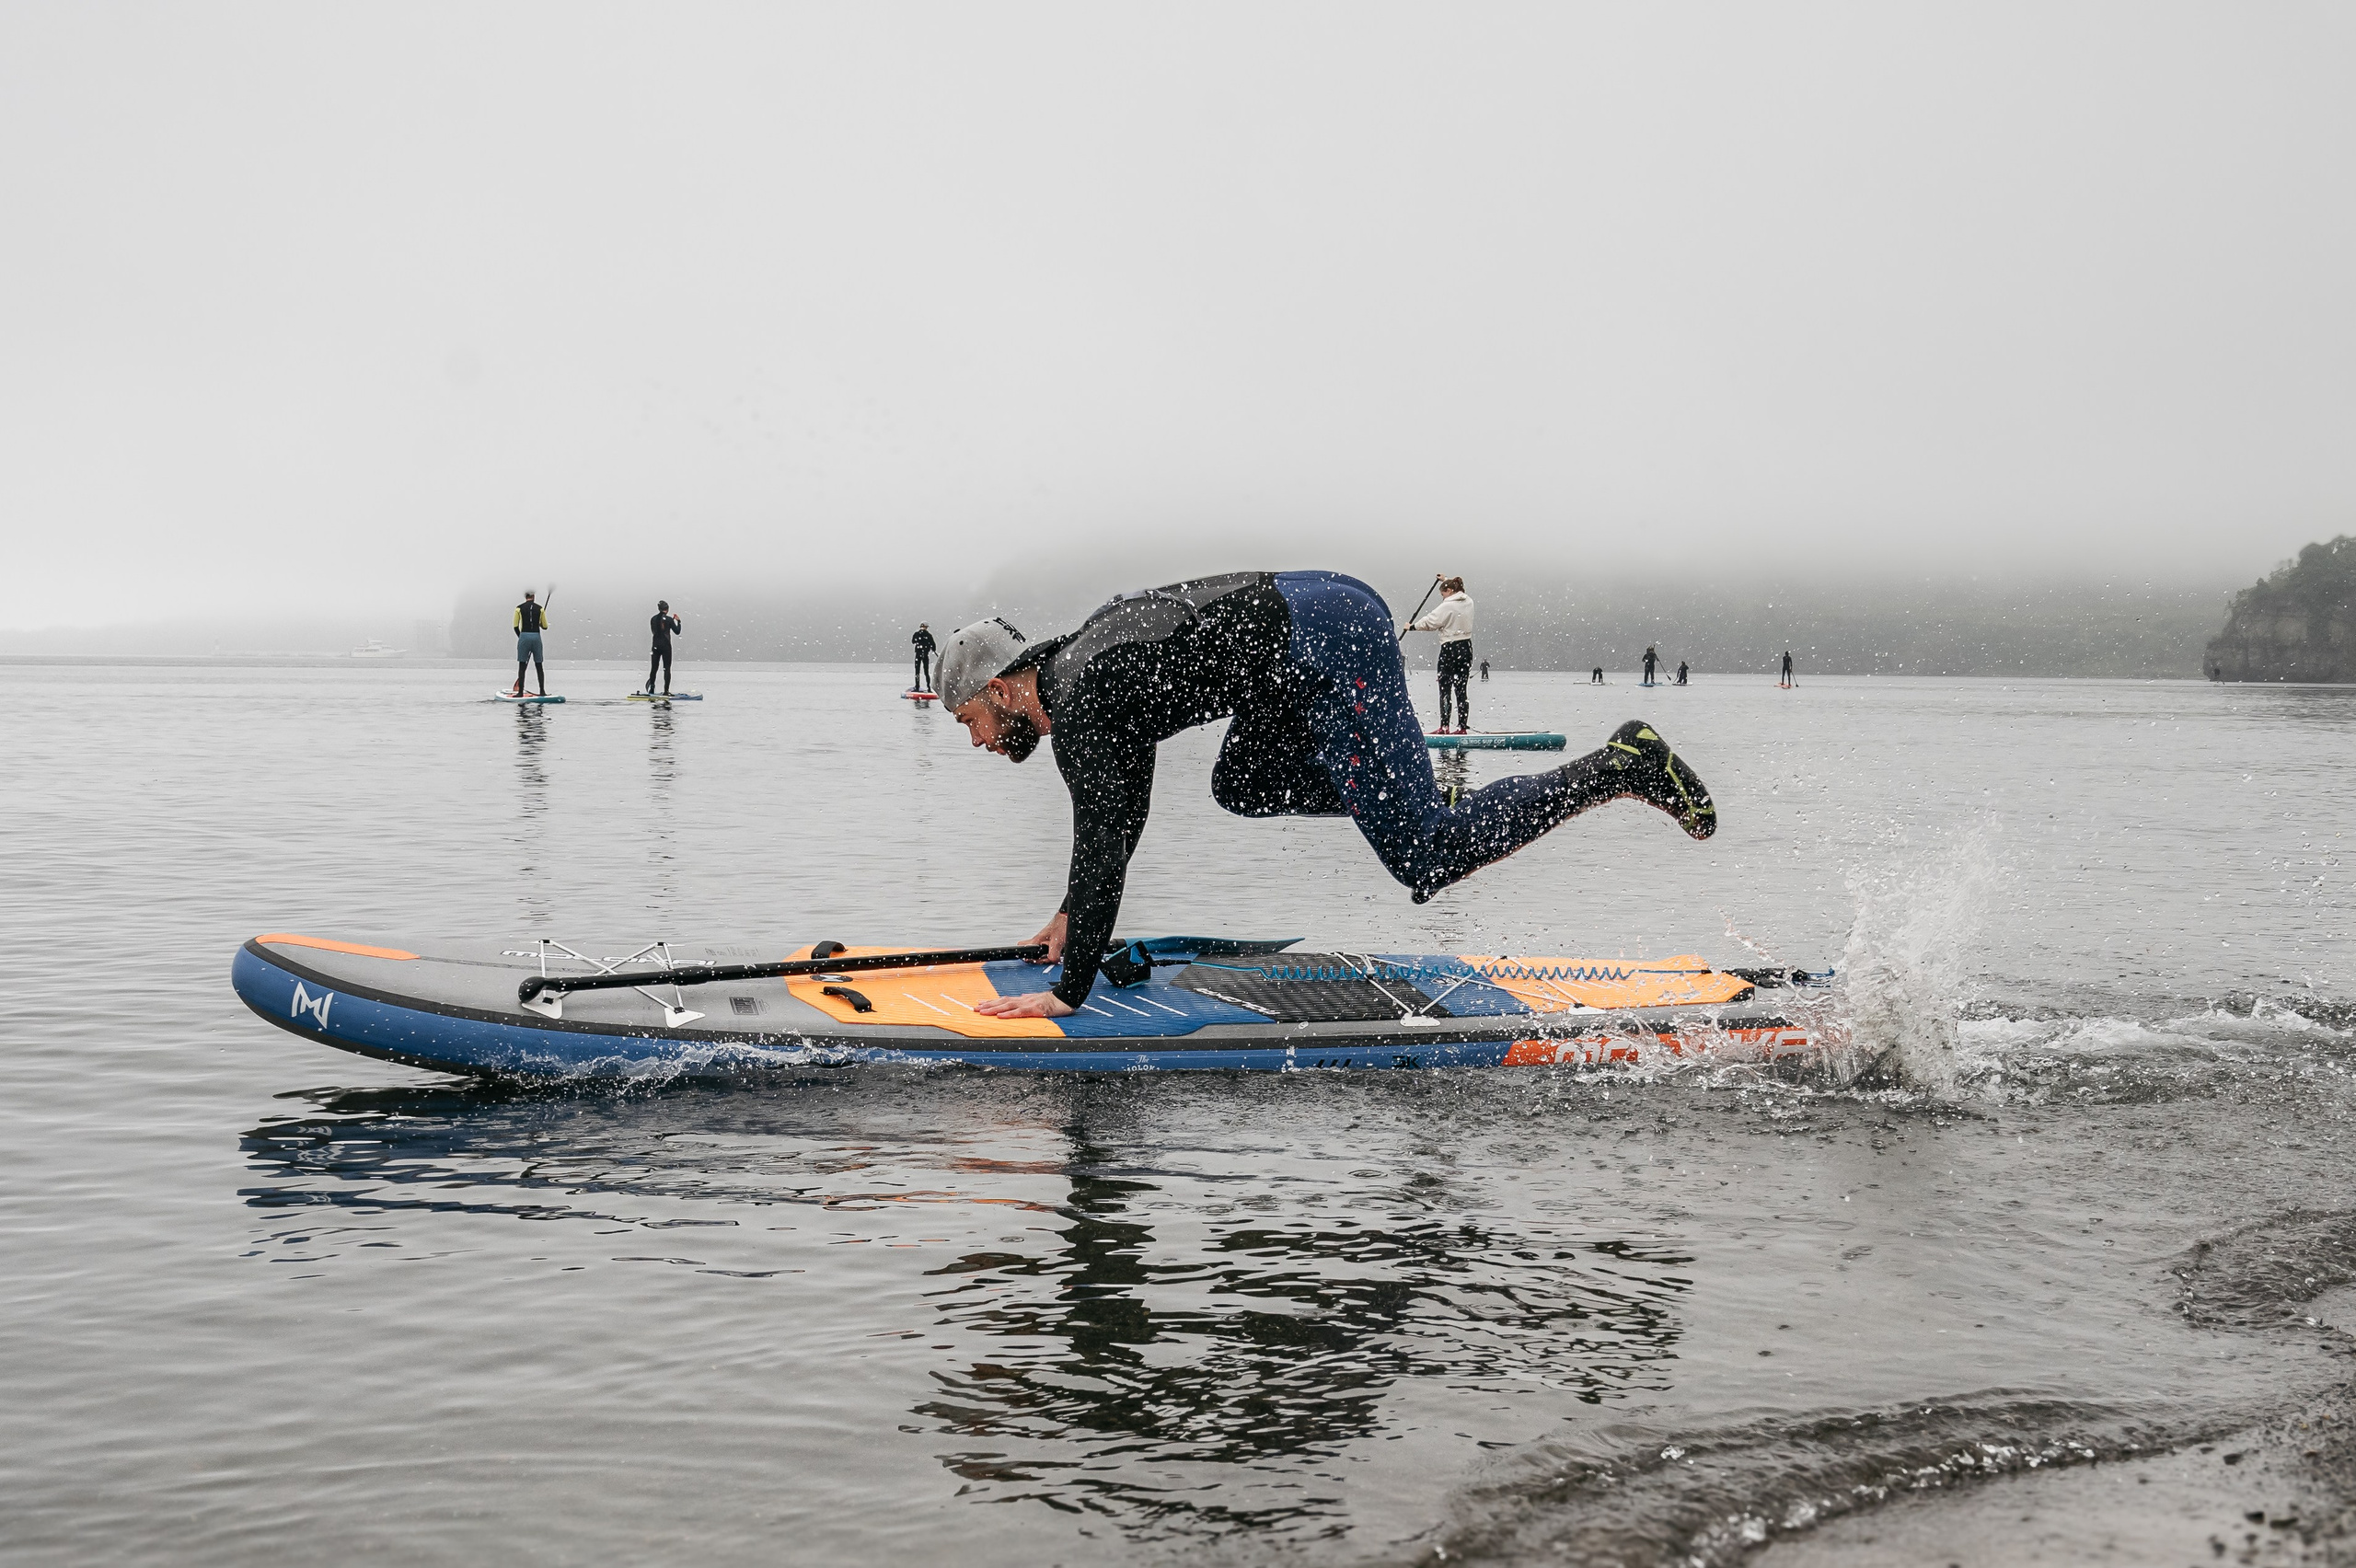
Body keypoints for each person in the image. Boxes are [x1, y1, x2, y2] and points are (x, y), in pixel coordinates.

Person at [937, 571, 1716, 1019]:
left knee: (1425, 854)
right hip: (1298, 638)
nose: (977, 741)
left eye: (972, 720)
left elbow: (1106, 833)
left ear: (1003, 689)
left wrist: (1069, 996)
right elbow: (1117, 816)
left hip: (1325, 640)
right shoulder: (1083, 679)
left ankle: (1622, 763)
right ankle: (1392, 796)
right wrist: (1075, 917)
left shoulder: (1083, 702)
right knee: (1239, 784)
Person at [1403, 575, 1475, 733]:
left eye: (1443, 594)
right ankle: (1462, 727)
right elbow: (1459, 589)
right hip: (1466, 648)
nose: (1442, 598)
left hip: (1450, 649)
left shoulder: (1447, 606)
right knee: (1461, 690)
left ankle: (1444, 727)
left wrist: (1412, 627)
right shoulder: (1468, 601)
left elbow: (1430, 622)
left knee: (1445, 689)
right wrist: (1446, 579)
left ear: (1449, 591)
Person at [511, 590, 549, 697]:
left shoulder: (519, 608)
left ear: (525, 597)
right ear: (533, 597)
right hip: (536, 637)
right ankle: (542, 691)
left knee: (522, 665)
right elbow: (545, 626)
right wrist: (540, 624)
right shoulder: (540, 609)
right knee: (539, 665)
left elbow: (515, 626)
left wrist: (521, 637)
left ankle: (520, 692)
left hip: (524, 636)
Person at [645, 600, 682, 696]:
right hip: (666, 646)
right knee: (667, 668)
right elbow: (677, 631)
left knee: (654, 668)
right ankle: (666, 691)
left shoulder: (653, 619)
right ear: (667, 609)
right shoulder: (669, 619)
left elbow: (654, 631)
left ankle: (652, 688)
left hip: (655, 645)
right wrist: (678, 621)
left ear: (659, 609)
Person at [912, 623, 937, 692]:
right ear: (926, 627)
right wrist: (933, 649)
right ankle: (928, 688)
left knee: (917, 671)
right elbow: (933, 645)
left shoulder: (916, 634)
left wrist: (919, 641)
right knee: (926, 672)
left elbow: (913, 641)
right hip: (925, 655)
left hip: (918, 654)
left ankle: (917, 687)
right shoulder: (929, 635)